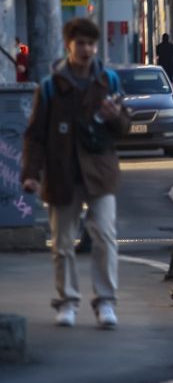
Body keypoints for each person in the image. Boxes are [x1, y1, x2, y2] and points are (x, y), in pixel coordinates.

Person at [21, 18, 130, 329]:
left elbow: (124, 128)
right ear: (68, 45)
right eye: (80, 43)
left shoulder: (108, 81)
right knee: (63, 243)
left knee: (105, 236)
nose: (86, 49)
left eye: (91, 44)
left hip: (100, 172)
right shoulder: (51, 86)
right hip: (62, 173)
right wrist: (31, 173)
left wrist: (115, 117)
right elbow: (35, 135)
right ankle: (67, 301)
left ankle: (106, 302)